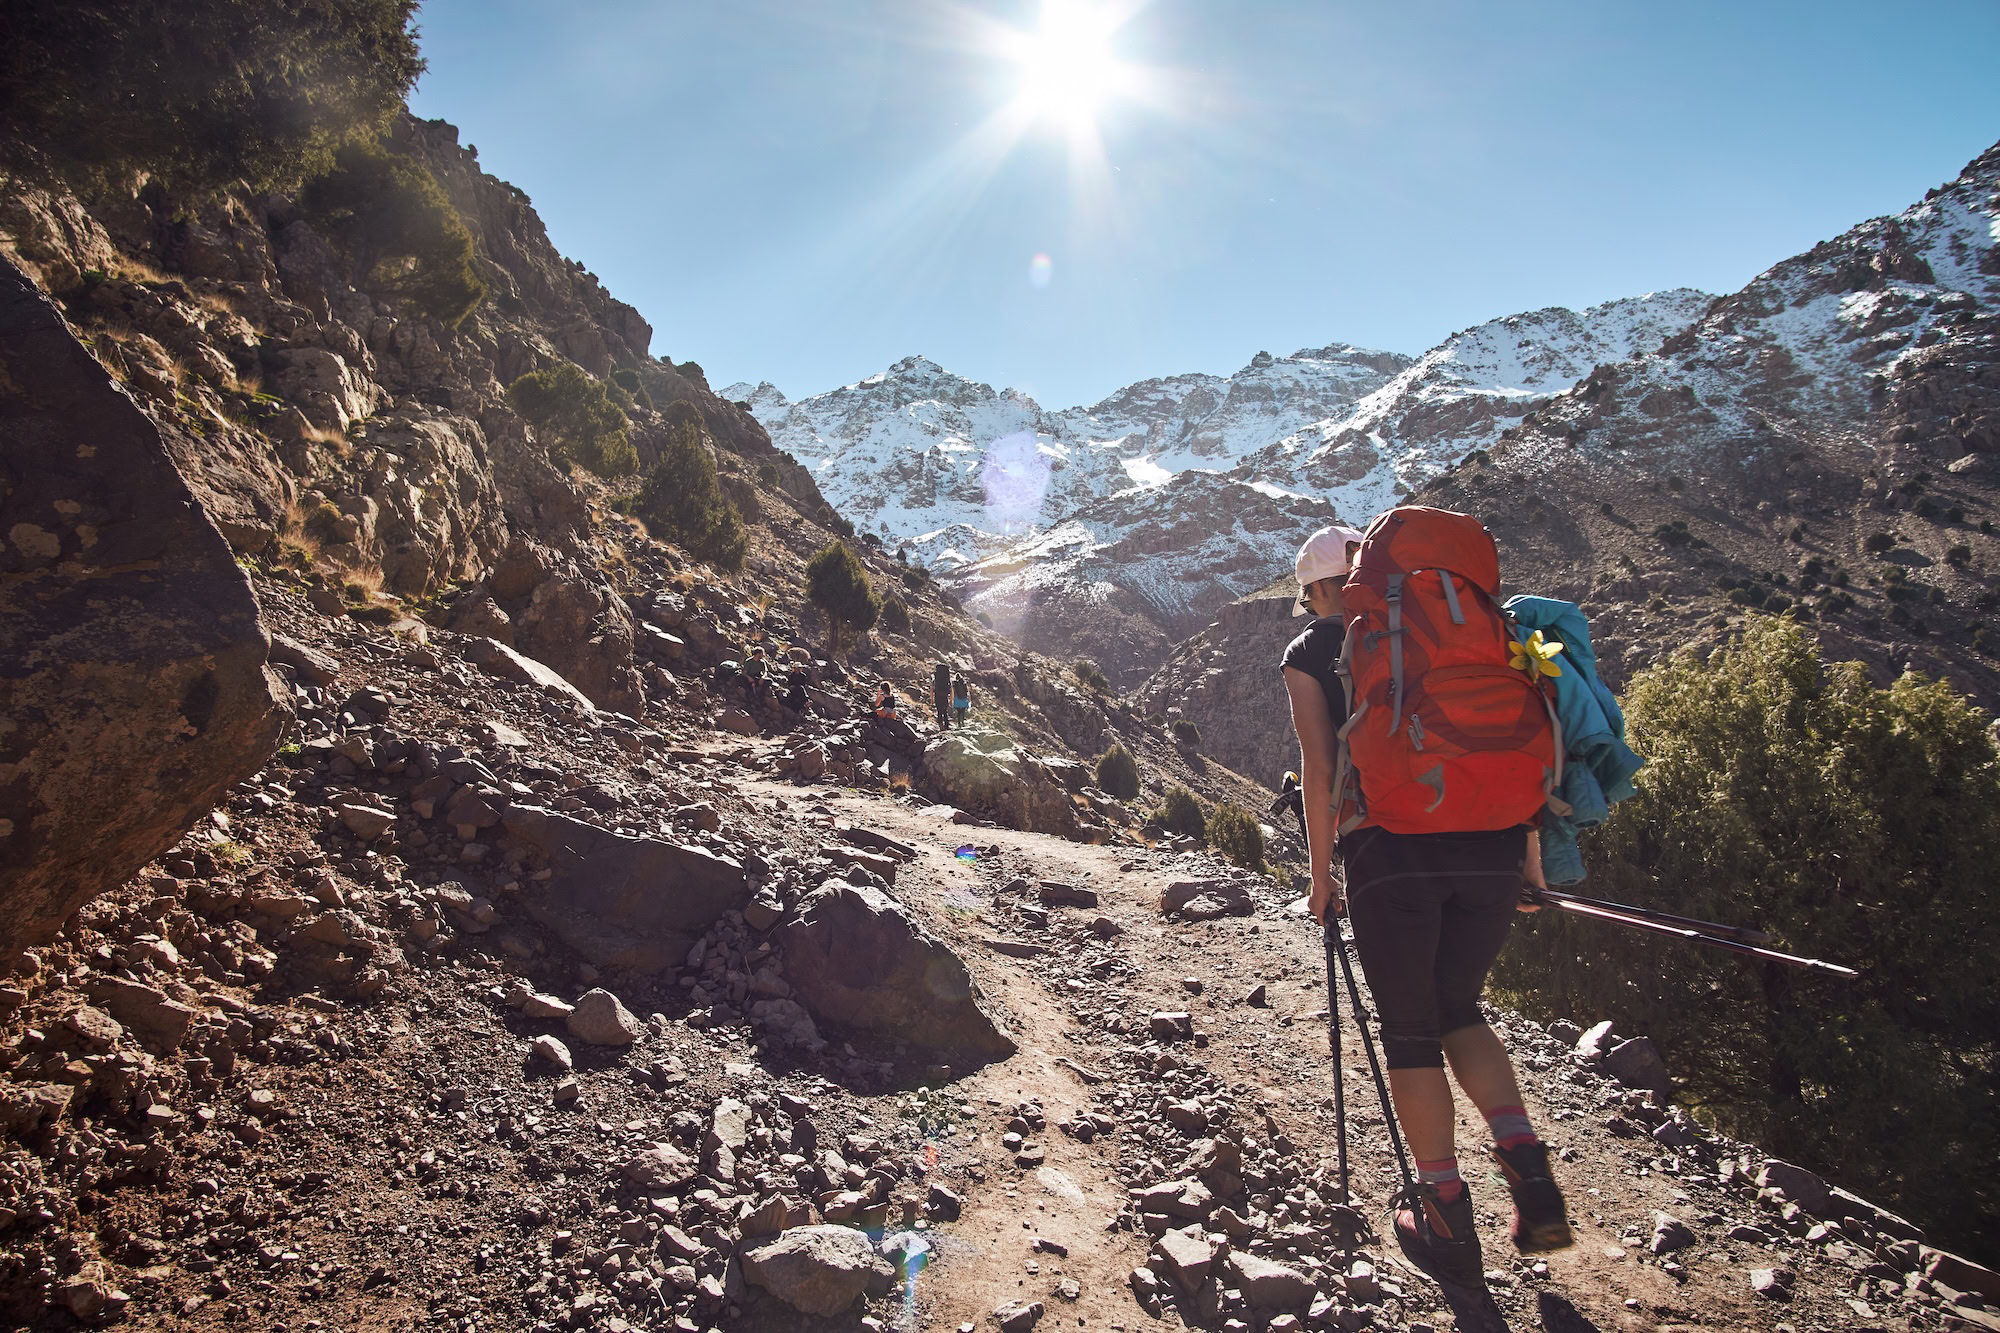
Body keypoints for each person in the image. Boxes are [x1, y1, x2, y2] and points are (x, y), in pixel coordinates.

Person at [1281, 521, 1573, 1289]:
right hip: (1495, 843)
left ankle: (1443, 1204)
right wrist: (1531, 866)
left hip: (1391, 849)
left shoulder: (1314, 647)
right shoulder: (1462, 625)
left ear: (1316, 588)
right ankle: (1522, 1153)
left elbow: (1319, 767)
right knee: (1461, 1008)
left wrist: (1321, 877)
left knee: (1410, 1031)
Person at [932, 661, 953, 729]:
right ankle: (946, 725)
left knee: (939, 711)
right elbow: (950, 689)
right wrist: (951, 699)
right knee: (945, 711)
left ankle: (941, 725)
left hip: (937, 696)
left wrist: (931, 698)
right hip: (945, 696)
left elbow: (932, 688)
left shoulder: (936, 678)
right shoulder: (947, 679)